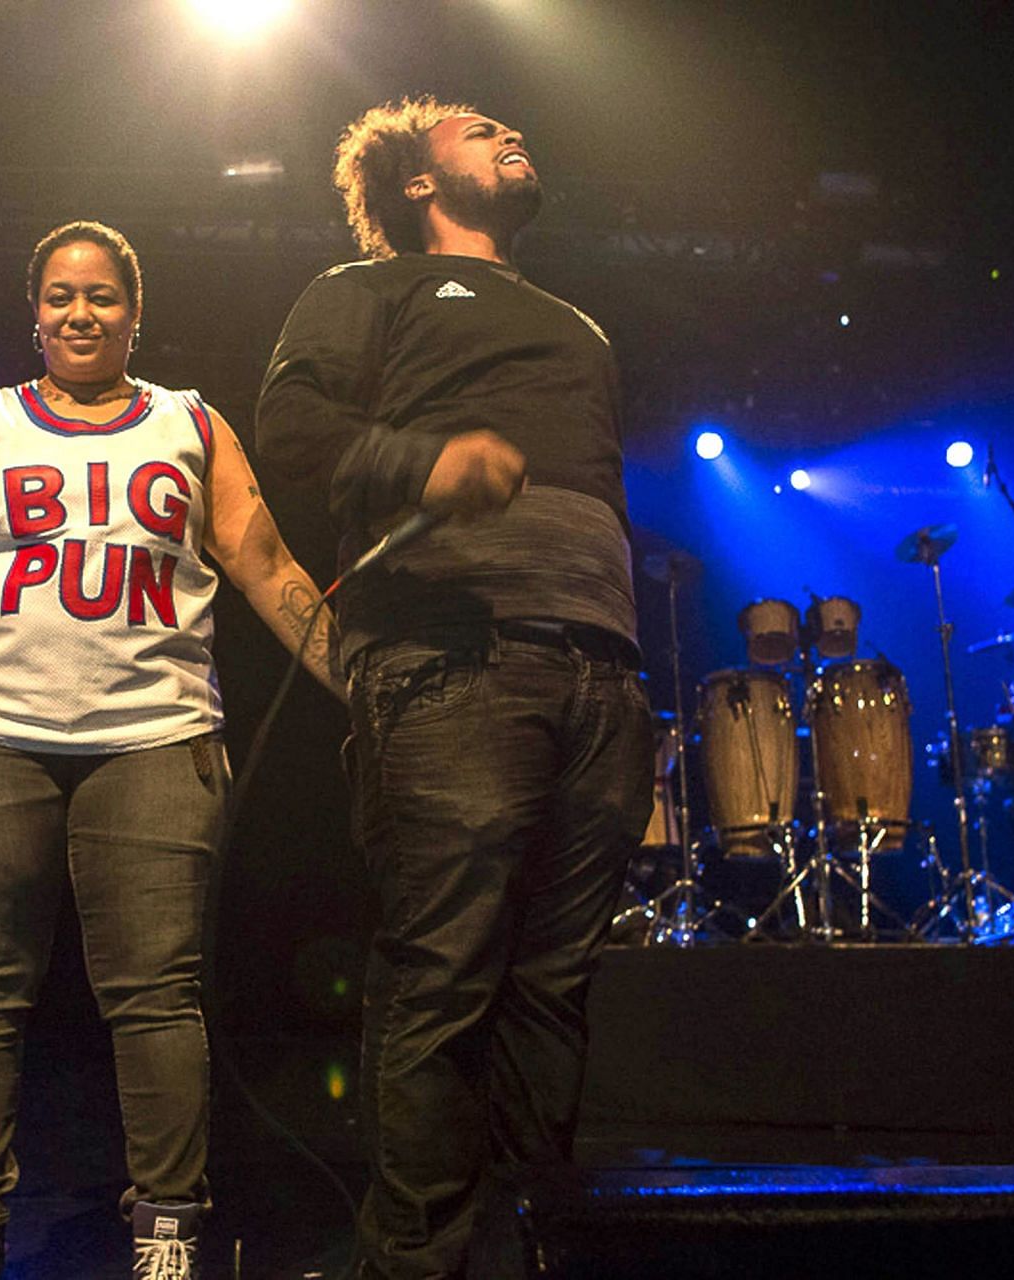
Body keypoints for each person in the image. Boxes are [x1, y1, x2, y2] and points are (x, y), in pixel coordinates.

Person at [0, 220, 338, 1280]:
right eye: (61, 296)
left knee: (157, 994)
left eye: (103, 297)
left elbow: (264, 562)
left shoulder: (191, 422)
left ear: (136, 312)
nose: (82, 313)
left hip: (155, 737)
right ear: (35, 312)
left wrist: (360, 680)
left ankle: (167, 1223)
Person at [255, 99, 658, 1278]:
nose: (512, 132)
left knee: (554, 986)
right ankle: (420, 1261)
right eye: (479, 129)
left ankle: (536, 1244)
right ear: (416, 181)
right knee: (443, 971)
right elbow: (290, 426)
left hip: (599, 678)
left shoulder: (582, 327)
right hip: (449, 667)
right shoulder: (365, 292)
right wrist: (426, 461)